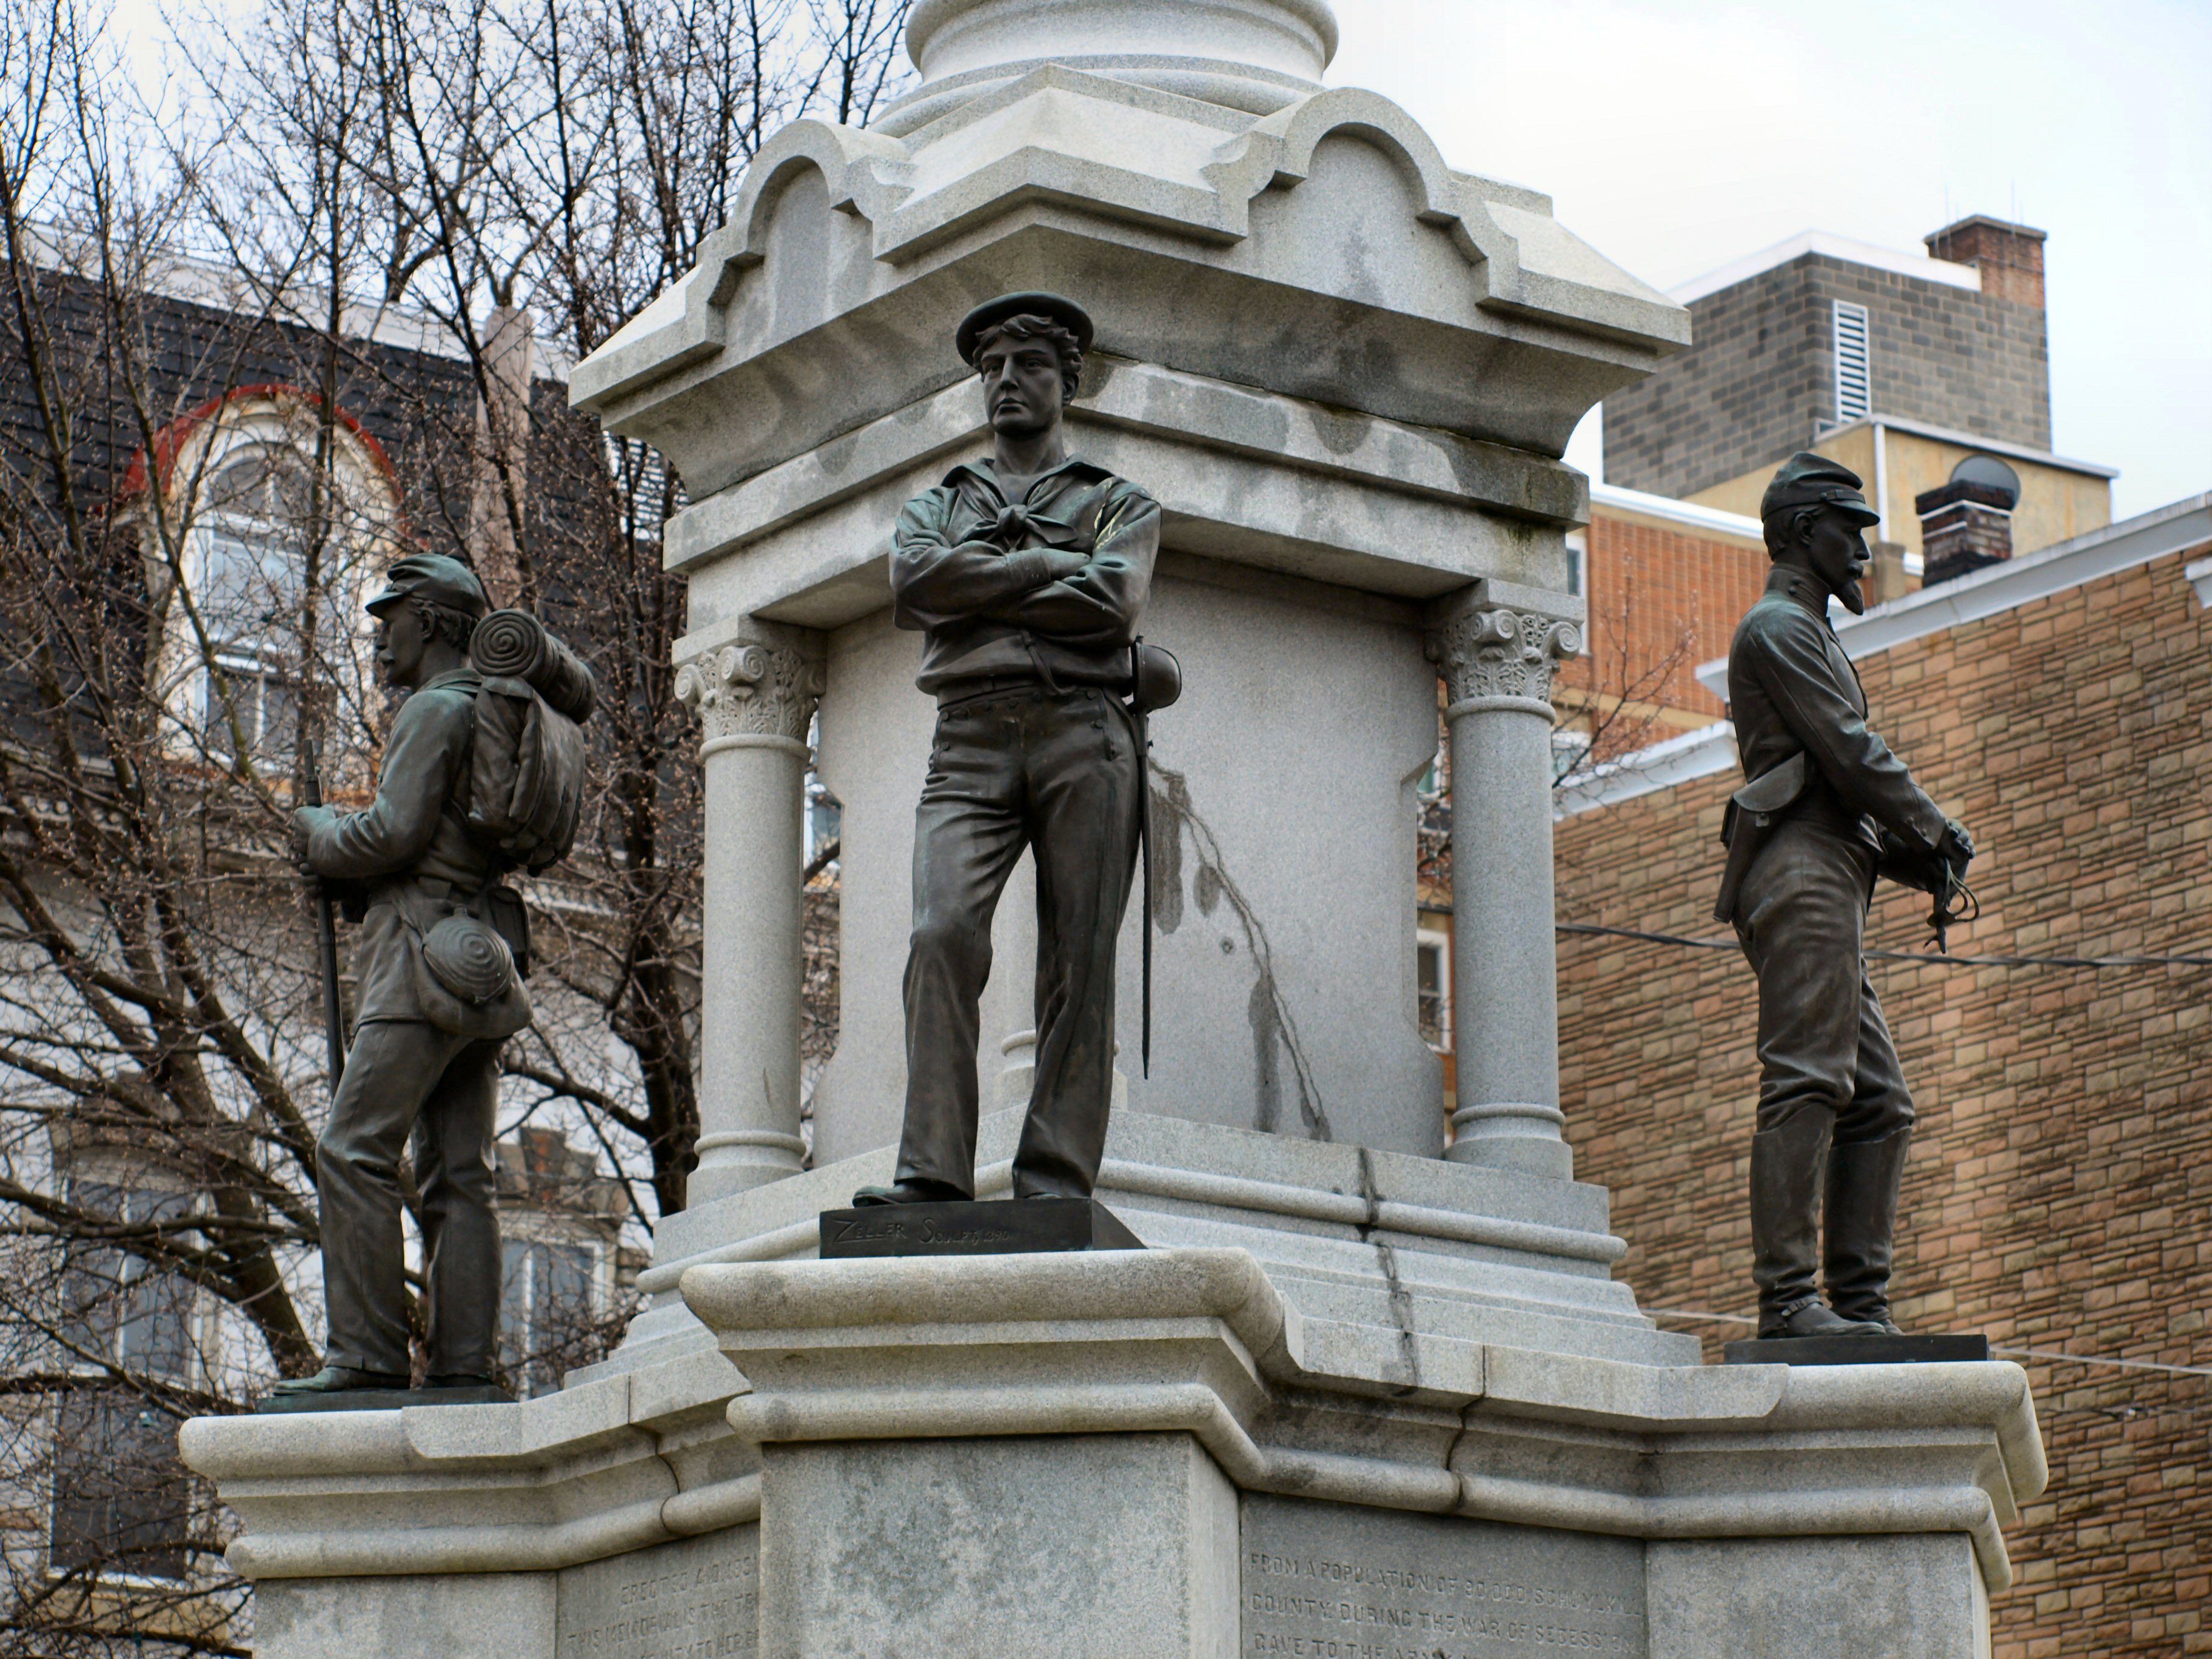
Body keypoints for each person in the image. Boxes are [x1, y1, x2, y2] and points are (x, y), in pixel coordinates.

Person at [853, 292, 1161, 1207]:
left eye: (1026, 365)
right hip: (970, 738)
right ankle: (933, 1173)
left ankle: (1056, 1179)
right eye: (990, 369)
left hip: (1086, 733)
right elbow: (916, 583)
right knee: (939, 935)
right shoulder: (939, 504)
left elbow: (1113, 601)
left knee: (1079, 959)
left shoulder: (1118, 500)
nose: (1004, 384)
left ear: (1067, 380)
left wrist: (983, 582)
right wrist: (1044, 568)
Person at [1715, 454, 1974, 1340]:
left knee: (1880, 1102)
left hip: (1832, 870)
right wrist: (1935, 830)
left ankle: (1860, 1312)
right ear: (1799, 533)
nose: (1863, 549)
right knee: (1809, 1079)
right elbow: (1851, 755)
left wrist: (1919, 861)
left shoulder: (1813, 633)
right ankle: (1789, 1304)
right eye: (1849, 530)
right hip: (1800, 875)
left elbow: (1841, 786)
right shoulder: (1777, 629)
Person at [272, 554, 513, 1398]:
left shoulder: (433, 710)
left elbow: (393, 836)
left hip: (417, 957)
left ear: (435, 622)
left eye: (392, 616)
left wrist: (319, 833)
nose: (379, 635)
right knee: (460, 1173)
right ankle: (464, 1371)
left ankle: (367, 1361)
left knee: (351, 1149)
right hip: (481, 957)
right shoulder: (490, 710)